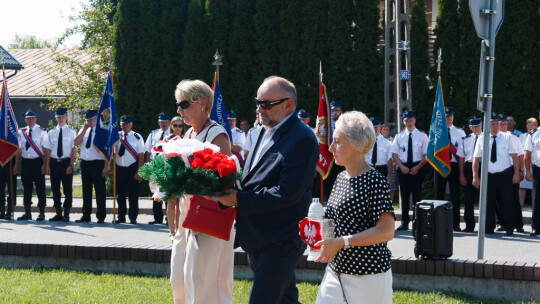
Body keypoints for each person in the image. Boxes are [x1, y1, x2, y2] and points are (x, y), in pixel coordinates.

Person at [216, 76, 318, 304]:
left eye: (267, 104)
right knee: (285, 299)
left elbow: (287, 193)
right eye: (258, 102)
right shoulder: (264, 129)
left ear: (288, 105)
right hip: (258, 233)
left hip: (282, 236)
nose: (260, 109)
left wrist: (239, 199)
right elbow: (256, 177)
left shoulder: (302, 139)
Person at [313, 111, 394, 304]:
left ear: (357, 146)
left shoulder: (374, 180)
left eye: (338, 142)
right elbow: (334, 222)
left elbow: (386, 231)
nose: (331, 148)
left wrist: (342, 242)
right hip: (335, 273)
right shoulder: (340, 178)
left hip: (368, 278)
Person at [170, 79, 233, 304]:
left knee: (205, 288)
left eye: (184, 104)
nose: (179, 110)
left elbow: (227, 183)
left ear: (203, 104)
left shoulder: (217, 135)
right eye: (178, 104)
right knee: (179, 283)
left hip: (208, 220)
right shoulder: (188, 135)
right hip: (188, 220)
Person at [472, 114, 520, 235]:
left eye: (496, 124)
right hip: (488, 176)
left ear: (499, 125)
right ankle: (488, 228)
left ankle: (509, 227)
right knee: (488, 203)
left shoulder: (507, 137)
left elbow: (515, 157)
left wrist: (516, 174)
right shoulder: (482, 139)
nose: (494, 126)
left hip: (505, 175)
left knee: (507, 202)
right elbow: (476, 159)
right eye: (492, 124)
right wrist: (475, 177)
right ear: (487, 125)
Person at [391, 110, 428, 231]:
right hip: (403, 168)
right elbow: (395, 155)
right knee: (404, 197)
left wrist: (417, 167)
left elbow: (426, 155)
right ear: (403, 122)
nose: (409, 122)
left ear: (415, 120)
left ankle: (418, 222)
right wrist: (402, 167)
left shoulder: (422, 135)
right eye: (406, 120)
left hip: (418, 167)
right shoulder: (399, 136)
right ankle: (404, 222)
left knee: (417, 196)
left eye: (411, 120)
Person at [73, 109, 108, 223]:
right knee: (86, 190)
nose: (89, 121)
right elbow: (76, 143)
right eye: (87, 119)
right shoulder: (84, 131)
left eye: (91, 119)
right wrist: (84, 129)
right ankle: (86, 214)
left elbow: (108, 151)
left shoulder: (102, 131)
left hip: (98, 163)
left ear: (96, 118)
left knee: (99, 191)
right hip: (86, 163)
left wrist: (105, 167)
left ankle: (101, 215)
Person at [435, 107, 466, 231]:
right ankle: (438, 223)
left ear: (453, 117)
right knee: (439, 194)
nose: (448, 118)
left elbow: (462, 153)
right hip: (440, 165)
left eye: (450, 116)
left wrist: (461, 171)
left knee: (455, 195)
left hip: (454, 165)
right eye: (446, 116)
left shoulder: (460, 132)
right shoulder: (437, 132)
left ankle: (455, 223)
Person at [44, 108, 77, 222]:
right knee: (55, 189)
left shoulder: (71, 131)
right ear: (55, 117)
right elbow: (48, 151)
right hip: (54, 163)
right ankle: (58, 212)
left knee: (68, 190)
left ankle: (67, 213)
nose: (60, 118)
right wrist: (47, 165)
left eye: (62, 116)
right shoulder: (51, 132)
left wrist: (71, 165)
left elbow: (73, 150)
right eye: (58, 116)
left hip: (66, 163)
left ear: (66, 117)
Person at [16, 109, 47, 221]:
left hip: (38, 162)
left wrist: (45, 165)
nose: (31, 120)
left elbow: (46, 150)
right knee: (27, 188)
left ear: (36, 118)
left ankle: (42, 212)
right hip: (26, 163)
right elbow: (19, 150)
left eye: (33, 118)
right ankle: (27, 212)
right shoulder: (21, 132)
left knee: (40, 188)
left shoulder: (42, 131)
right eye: (28, 118)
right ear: (25, 120)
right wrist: (16, 165)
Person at [115, 115, 144, 224]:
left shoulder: (137, 137)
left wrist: (139, 171)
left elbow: (141, 155)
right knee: (120, 195)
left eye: (127, 123)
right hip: (119, 168)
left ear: (131, 124)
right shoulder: (116, 135)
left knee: (133, 194)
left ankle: (133, 217)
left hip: (132, 168)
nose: (124, 126)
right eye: (122, 123)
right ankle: (121, 216)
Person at [499, 114, 525, 233]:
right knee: (500, 199)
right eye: (502, 123)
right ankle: (502, 223)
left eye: (505, 123)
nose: (504, 125)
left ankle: (518, 224)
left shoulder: (514, 137)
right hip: (500, 172)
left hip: (512, 170)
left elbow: (520, 155)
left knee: (514, 199)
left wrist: (519, 171)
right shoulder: (495, 137)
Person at [457, 116, 483, 233]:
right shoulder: (465, 139)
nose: (476, 128)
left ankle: (486, 225)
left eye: (478, 125)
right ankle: (469, 225)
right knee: (469, 198)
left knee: (485, 198)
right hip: (468, 167)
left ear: (482, 125)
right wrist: (462, 174)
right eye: (474, 126)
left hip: (483, 167)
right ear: (470, 127)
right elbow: (461, 158)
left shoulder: (487, 138)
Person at [145, 112, 171, 225]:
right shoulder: (153, 134)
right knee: (155, 192)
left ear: (169, 122)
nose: (164, 123)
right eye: (161, 121)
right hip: (155, 166)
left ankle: (168, 218)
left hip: (167, 166)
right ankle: (157, 217)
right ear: (158, 122)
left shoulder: (172, 134)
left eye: (165, 121)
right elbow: (148, 151)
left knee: (167, 193)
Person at [164, 116, 185, 239]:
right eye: (175, 125)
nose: (177, 128)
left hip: (182, 173)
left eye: (180, 125)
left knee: (180, 204)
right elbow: (162, 157)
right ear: (171, 127)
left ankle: (178, 230)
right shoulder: (167, 140)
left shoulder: (186, 138)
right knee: (171, 202)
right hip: (170, 172)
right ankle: (171, 231)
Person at [524, 110, 540, 236]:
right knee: (537, 199)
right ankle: (536, 226)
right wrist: (528, 170)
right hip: (538, 168)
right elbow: (527, 153)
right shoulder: (534, 133)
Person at [366, 117, 392, 184]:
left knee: (381, 193)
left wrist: (389, 176)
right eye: (372, 126)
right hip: (367, 169)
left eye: (376, 126)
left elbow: (390, 161)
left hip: (382, 170)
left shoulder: (387, 142)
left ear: (380, 126)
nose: (375, 128)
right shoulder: (365, 141)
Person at [519, 118, 537, 208]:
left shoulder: (537, 135)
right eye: (528, 125)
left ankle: (534, 206)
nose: (530, 127)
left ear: (536, 126)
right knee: (522, 187)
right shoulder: (522, 136)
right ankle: (520, 206)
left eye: (532, 125)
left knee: (534, 187)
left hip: (535, 164)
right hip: (524, 163)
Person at [382, 123, 398, 203]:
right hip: (382, 165)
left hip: (392, 164)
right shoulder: (378, 140)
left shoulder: (392, 140)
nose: (385, 131)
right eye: (384, 129)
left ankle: (390, 203)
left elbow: (395, 152)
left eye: (387, 130)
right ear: (381, 130)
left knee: (392, 185)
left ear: (389, 131)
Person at [0, 155, 18, 221]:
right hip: (1, 162)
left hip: (10, 163)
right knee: (0, 188)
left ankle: (9, 210)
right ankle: (1, 210)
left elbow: (17, 150)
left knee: (11, 188)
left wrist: (16, 164)